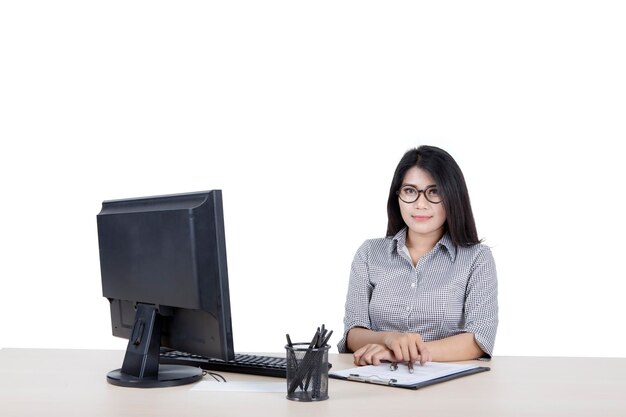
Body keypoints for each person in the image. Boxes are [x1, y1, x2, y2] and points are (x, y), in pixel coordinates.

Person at [337, 145, 498, 366]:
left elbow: (479, 339)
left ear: (452, 196)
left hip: (449, 387)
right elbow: (353, 332)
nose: (420, 204)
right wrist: (389, 338)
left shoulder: (476, 258)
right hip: (375, 378)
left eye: (434, 192)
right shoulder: (369, 253)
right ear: (398, 196)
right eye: (410, 191)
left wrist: (399, 353)